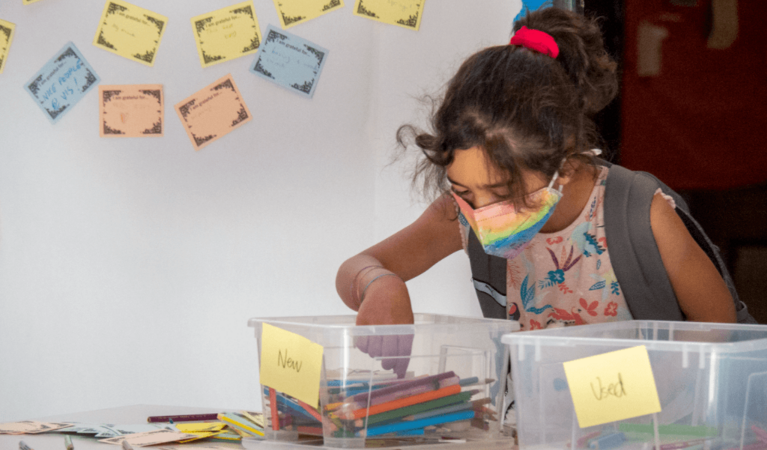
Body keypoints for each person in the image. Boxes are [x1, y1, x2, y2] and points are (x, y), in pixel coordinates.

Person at [335, 7, 744, 371]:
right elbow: (359, 264)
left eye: (501, 193)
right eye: (464, 191)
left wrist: (650, 396)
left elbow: (718, 326)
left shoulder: (639, 214)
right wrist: (380, 283)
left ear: (562, 166)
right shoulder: (461, 215)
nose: (482, 215)